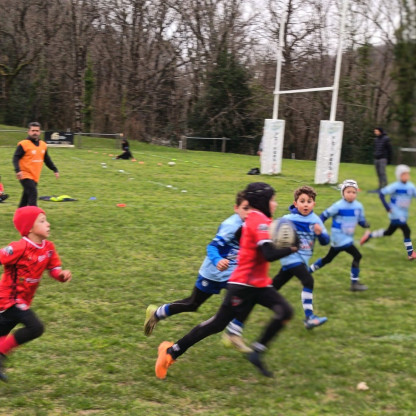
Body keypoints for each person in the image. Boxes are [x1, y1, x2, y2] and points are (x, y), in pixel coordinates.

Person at [155, 182, 298, 379]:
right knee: (216, 324)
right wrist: (292, 247)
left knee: (285, 311)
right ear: (263, 201)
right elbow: (269, 254)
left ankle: (257, 351)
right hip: (242, 285)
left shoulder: (256, 219)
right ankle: (171, 352)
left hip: (258, 283)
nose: (275, 203)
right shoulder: (258, 220)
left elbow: (242, 235)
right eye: (273, 199)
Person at [144, 191, 253, 353]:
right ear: (236, 208)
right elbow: (212, 247)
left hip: (232, 274)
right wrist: (218, 260)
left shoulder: (251, 223)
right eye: (245, 208)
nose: (249, 212)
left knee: (248, 295)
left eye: (252, 208)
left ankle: (233, 333)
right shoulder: (231, 225)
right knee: (192, 304)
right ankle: (157, 313)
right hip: (212, 273)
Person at [0, 206, 72, 382]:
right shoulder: (19, 247)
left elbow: (54, 269)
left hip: (24, 299)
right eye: (42, 221)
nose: (48, 224)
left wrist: (61, 275)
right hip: (9, 299)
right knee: (35, 327)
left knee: (2, 332)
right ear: (29, 228)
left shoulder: (48, 248)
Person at [272, 185, 330, 329]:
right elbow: (274, 234)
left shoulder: (316, 221)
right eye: (302, 201)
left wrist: (320, 234)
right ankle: (309, 317)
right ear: (295, 203)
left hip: (302, 260)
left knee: (273, 287)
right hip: (290, 257)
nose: (305, 204)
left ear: (314, 204)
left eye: (309, 201)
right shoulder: (287, 219)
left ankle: (248, 299)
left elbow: (325, 241)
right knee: (308, 281)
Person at [309, 179, 370, 291]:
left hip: (347, 239)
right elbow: (324, 215)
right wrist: (317, 226)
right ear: (343, 193)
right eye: (348, 192)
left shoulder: (358, 206)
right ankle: (354, 283)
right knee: (357, 256)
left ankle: (308, 271)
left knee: (328, 259)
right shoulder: (338, 206)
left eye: (354, 192)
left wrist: (365, 224)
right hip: (339, 239)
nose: (351, 194)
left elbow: (361, 221)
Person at [360, 164, 416, 260]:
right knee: (407, 230)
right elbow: (381, 194)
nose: (407, 176)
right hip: (395, 213)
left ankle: (369, 235)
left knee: (389, 232)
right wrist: (387, 207)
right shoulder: (395, 186)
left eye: (408, 174)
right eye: (404, 174)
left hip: (404, 214)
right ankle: (410, 253)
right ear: (399, 175)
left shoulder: (411, 186)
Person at [12, 122, 59, 207]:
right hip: (24, 174)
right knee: (33, 193)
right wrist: (18, 170)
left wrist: (54, 169)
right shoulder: (23, 144)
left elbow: (46, 159)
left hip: (35, 175)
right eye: (33, 130)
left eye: (37, 131)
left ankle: (19, 212)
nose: (35, 133)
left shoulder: (43, 145)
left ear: (40, 132)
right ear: (28, 131)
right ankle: (34, 214)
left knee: (26, 196)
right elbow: (16, 157)